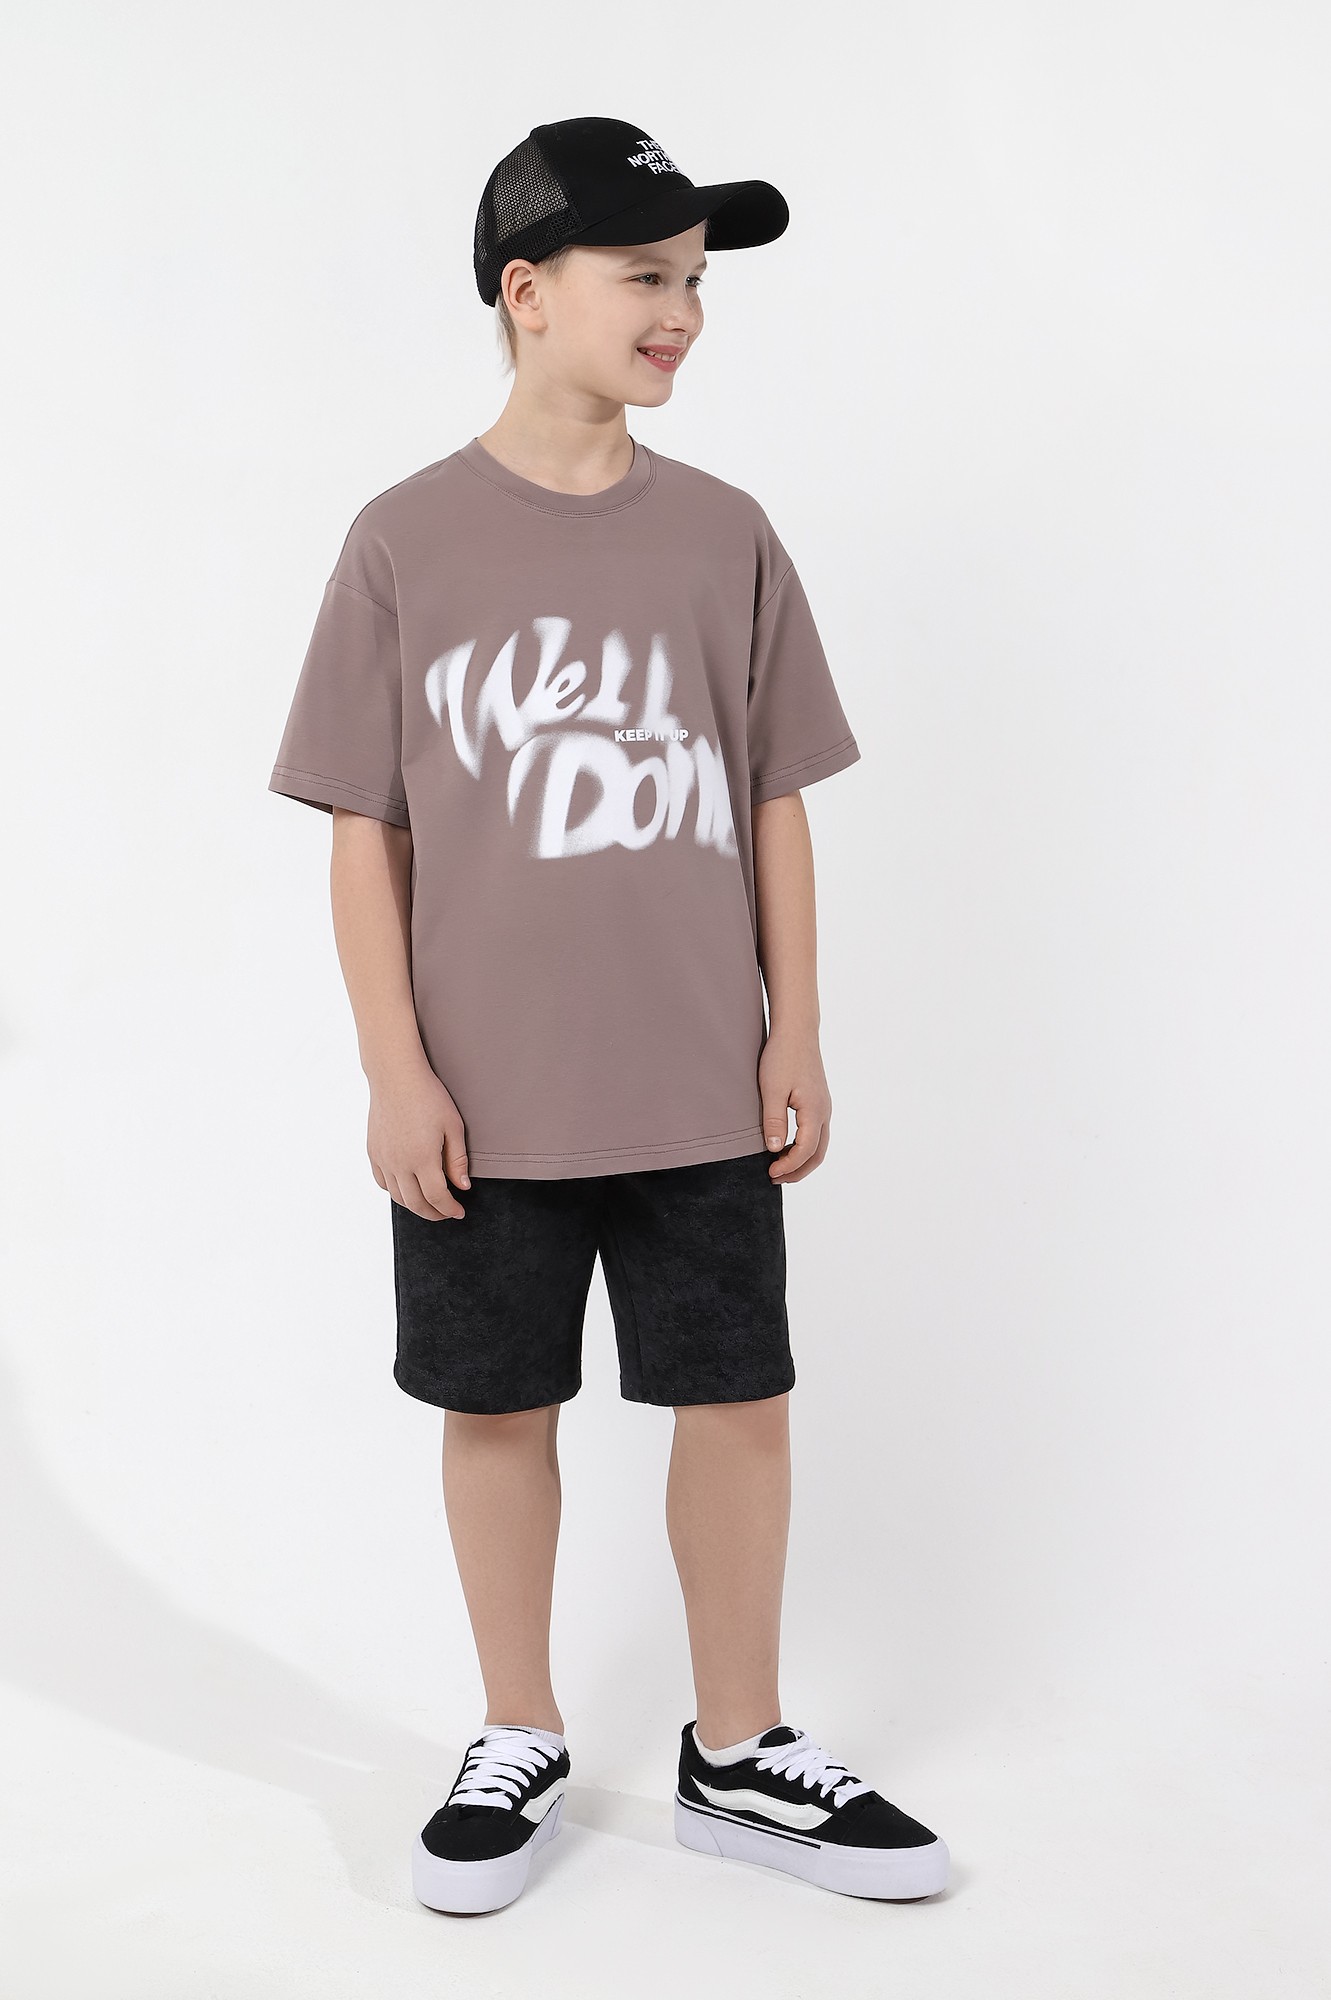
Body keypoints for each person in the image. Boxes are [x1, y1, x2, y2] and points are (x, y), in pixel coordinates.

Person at [268, 115, 949, 1916]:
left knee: (740, 1393)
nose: (683, 313)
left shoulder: (725, 536)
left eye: (697, 281)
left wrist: (796, 1026)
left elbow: (775, 796)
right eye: (647, 275)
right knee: (496, 1404)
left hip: (698, 1081)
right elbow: (364, 830)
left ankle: (741, 1748)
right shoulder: (404, 541)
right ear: (526, 290)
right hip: (484, 1099)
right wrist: (393, 1067)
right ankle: (518, 1730)